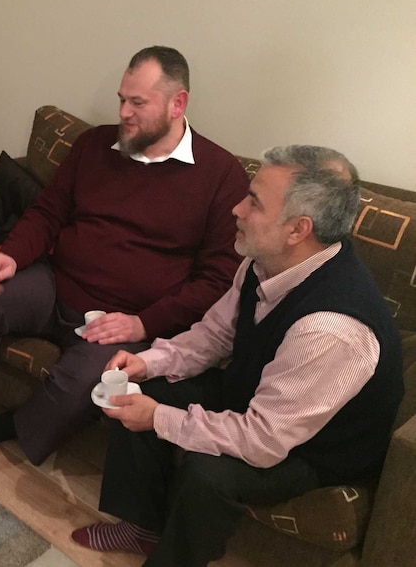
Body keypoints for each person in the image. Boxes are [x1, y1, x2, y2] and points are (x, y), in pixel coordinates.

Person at [0, 46, 250, 471]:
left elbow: (217, 281)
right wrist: (11, 254)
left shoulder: (221, 175)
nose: (124, 112)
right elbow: (48, 212)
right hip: (55, 283)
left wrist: (144, 323)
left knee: (92, 378)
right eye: (122, 99)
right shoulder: (94, 145)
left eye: (137, 103)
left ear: (178, 103)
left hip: (126, 318)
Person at [71, 146, 404, 566]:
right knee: (139, 390)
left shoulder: (331, 330)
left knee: (207, 471)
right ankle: (141, 527)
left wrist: (157, 417)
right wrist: (150, 362)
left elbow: (264, 440)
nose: (236, 209)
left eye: (253, 202)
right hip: (260, 398)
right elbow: (214, 336)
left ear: (298, 229)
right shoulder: (262, 261)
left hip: (313, 448)